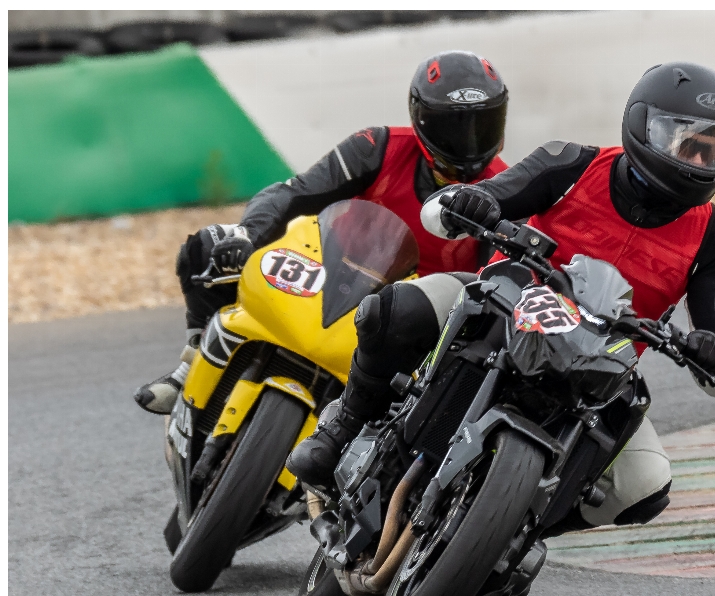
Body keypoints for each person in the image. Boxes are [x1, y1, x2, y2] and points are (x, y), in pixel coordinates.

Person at [287, 61, 715, 532]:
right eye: (686, 144)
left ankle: (515, 532)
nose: (698, 162)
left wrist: (713, 350)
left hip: (601, 366)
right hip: (503, 301)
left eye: (712, 150)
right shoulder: (573, 163)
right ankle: (344, 427)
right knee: (391, 310)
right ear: (640, 126)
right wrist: (471, 202)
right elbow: (447, 208)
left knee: (645, 486)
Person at [134, 50, 510, 414]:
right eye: (452, 126)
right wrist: (248, 234)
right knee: (210, 244)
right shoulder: (377, 147)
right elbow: (292, 195)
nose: (469, 142)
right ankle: (191, 364)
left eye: (483, 125)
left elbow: (495, 278)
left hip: (417, 316)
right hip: (334, 271)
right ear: (421, 119)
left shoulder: (507, 187)